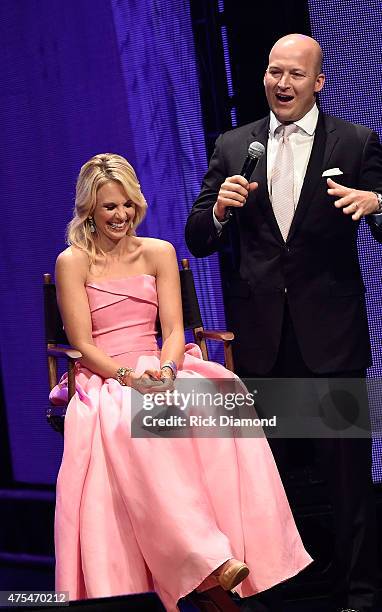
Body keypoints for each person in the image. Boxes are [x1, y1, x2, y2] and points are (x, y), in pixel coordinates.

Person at [50, 153, 311, 612]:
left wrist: (167, 372)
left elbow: (173, 330)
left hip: (162, 363)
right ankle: (208, 559)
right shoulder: (73, 262)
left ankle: (244, 549)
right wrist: (130, 378)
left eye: (128, 204)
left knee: (222, 395)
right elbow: (82, 344)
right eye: (109, 206)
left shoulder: (159, 252)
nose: (121, 215)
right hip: (108, 374)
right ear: (89, 209)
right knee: (138, 419)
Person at [185, 34, 382, 612]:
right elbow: (197, 238)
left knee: (346, 478)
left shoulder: (356, 140)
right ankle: (278, 591)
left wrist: (378, 203)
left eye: (296, 74)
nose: (283, 83)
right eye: (274, 72)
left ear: (318, 82)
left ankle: (361, 595)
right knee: (268, 478)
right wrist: (219, 209)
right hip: (263, 339)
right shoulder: (233, 145)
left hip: (333, 337)